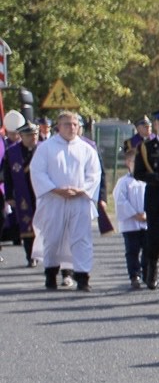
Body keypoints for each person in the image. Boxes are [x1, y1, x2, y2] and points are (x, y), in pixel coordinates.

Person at [30, 111, 101, 290]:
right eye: (67, 124)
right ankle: (51, 273)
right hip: (54, 200)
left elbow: (94, 174)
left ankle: (83, 277)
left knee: (81, 239)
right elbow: (38, 172)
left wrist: (82, 189)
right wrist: (55, 189)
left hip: (79, 201)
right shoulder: (46, 147)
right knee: (53, 237)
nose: (72, 128)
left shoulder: (86, 149)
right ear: (58, 127)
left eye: (75, 124)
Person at [132, 109, 159, 289]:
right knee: (154, 238)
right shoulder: (146, 147)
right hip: (155, 196)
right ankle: (152, 270)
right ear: (156, 125)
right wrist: (155, 178)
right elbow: (138, 173)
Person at [111, 141, 147, 288]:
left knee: (148, 250)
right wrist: (134, 214)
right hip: (131, 224)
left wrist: (147, 213)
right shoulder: (123, 182)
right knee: (132, 250)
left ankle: (147, 273)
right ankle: (134, 275)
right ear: (128, 163)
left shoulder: (147, 181)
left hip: (146, 222)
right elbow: (120, 201)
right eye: (134, 161)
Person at [2, 119, 38, 266]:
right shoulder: (12, 153)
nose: (33, 138)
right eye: (29, 135)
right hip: (24, 194)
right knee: (27, 225)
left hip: (43, 193)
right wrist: (9, 196)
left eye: (35, 134)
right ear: (21, 136)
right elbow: (8, 176)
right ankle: (31, 256)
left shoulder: (44, 149)